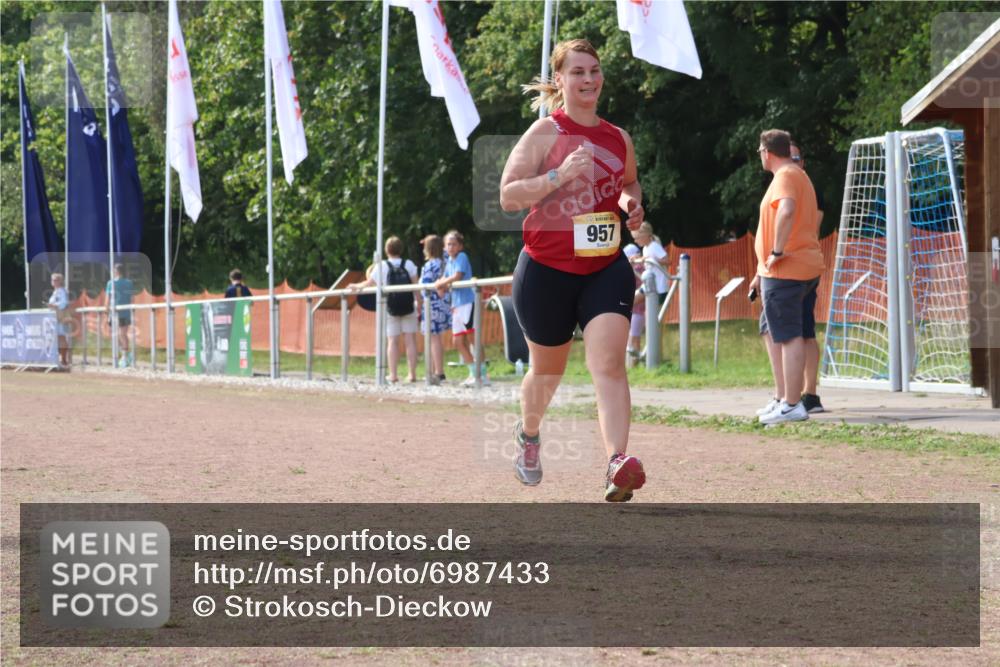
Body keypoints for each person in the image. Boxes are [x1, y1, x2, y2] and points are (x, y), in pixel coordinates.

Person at [500, 38, 646, 502]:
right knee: (547, 372)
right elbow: (508, 195)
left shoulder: (617, 137)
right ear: (559, 80)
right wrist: (557, 177)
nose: (588, 79)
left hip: (605, 265)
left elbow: (628, 183)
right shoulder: (546, 131)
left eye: (594, 70)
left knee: (608, 364)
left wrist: (631, 204)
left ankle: (616, 463)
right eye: (578, 72)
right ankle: (529, 433)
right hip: (546, 269)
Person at [750, 129, 824, 425]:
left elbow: (787, 210)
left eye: (760, 151)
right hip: (794, 268)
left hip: (787, 269)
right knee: (783, 332)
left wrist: (777, 251)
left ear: (767, 152)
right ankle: (785, 399)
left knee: (789, 335)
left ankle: (792, 403)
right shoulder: (796, 174)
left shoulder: (785, 176)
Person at [349, 236, 420, 383]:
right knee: (410, 340)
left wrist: (355, 286)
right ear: (401, 249)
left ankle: (393, 375)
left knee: (392, 341)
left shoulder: (382, 266)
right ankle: (412, 374)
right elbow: (416, 286)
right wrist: (419, 303)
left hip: (391, 307)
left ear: (386, 250)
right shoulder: (410, 264)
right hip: (409, 306)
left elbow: (369, 283)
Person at [789, 141, 825, 414]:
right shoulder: (788, 185)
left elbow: (808, 228)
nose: (792, 162)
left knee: (801, 333)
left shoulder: (806, 188)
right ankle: (796, 394)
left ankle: (804, 394)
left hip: (797, 267)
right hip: (792, 266)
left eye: (796, 157)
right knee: (797, 332)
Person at [434, 230, 489, 387]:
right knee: (457, 341)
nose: (451, 247)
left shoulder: (461, 257)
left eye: (454, 244)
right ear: (444, 247)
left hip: (467, 302)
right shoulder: (448, 262)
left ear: (460, 246)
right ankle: (473, 372)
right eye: (448, 244)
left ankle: (482, 374)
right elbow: (445, 281)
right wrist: (441, 285)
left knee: (473, 339)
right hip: (456, 305)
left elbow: (457, 276)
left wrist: (442, 283)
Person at [419, 235, 451, 384]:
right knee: (435, 339)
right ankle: (433, 371)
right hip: (444, 304)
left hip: (432, 305)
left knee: (433, 339)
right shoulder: (446, 262)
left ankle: (438, 372)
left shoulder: (430, 266)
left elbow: (424, 286)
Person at [106, 263, 135, 368]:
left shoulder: (112, 283)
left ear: (116, 271)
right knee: (119, 334)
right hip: (121, 312)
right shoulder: (113, 283)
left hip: (120, 312)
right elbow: (132, 298)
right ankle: (124, 353)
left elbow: (108, 299)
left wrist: (106, 309)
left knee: (120, 334)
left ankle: (125, 355)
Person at [623, 243, 645, 363]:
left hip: (638, 309)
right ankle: (634, 362)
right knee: (634, 337)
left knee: (633, 337)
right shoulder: (641, 267)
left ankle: (631, 363)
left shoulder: (637, 268)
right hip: (636, 309)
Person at [46, 272, 72, 368]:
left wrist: (54, 305)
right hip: (55, 318)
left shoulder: (61, 291)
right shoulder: (55, 292)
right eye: (53, 280)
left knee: (61, 337)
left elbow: (64, 303)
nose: (54, 281)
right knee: (58, 337)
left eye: (56, 280)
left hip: (61, 317)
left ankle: (64, 359)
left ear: (61, 281)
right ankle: (61, 358)